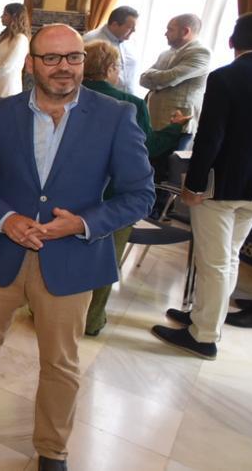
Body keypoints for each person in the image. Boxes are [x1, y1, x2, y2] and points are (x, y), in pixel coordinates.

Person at [0, 24, 153, 471]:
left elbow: (139, 195)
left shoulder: (114, 116)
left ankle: (53, 447)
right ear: (31, 64)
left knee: (61, 362)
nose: (63, 68)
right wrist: (6, 218)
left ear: (83, 61)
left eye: (72, 57)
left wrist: (85, 223)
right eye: (50, 58)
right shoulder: (1, 113)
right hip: (1, 252)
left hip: (70, 260)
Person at [152, 12, 252, 360]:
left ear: (233, 42)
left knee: (214, 262)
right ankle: (202, 317)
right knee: (227, 259)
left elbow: (210, 138)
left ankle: (203, 336)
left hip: (221, 188)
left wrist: (196, 183)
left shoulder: (225, 77)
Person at [81, 40, 188, 336]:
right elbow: (147, 147)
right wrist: (176, 128)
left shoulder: (67, 95)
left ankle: (43, 312)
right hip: (115, 196)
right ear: (111, 68)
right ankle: (91, 320)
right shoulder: (129, 104)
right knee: (106, 261)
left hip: (71, 193)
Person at [141, 13, 211, 139]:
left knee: (170, 159)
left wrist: (154, 76)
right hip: (153, 122)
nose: (165, 33)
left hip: (177, 125)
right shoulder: (166, 53)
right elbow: (142, 79)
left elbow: (169, 78)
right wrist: (157, 77)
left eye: (170, 29)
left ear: (185, 31)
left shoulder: (201, 53)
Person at [82, 5, 139, 94]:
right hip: (102, 98)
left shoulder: (130, 42)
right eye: (130, 27)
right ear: (114, 25)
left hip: (127, 98)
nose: (134, 31)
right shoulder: (91, 41)